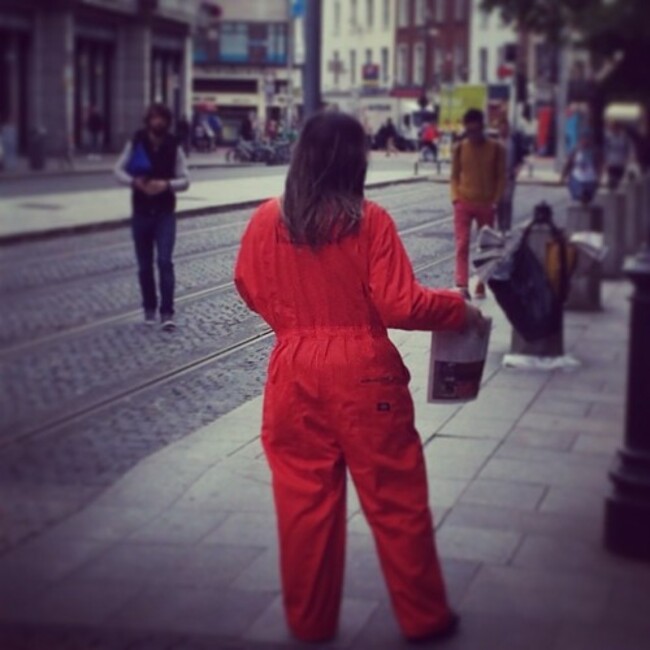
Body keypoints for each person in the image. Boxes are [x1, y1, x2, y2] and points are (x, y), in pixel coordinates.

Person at [234, 111, 486, 644]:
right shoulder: (369, 221)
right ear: (355, 159)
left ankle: (310, 622)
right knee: (396, 500)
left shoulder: (265, 220)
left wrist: (295, 325)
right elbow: (399, 303)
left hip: (293, 372)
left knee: (303, 505)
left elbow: (248, 285)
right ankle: (424, 617)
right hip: (364, 375)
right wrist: (456, 308)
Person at [114, 103, 190, 331]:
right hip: (141, 213)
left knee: (165, 262)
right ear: (148, 121)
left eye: (162, 119)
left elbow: (185, 179)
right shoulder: (137, 141)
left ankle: (167, 312)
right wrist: (133, 182)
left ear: (167, 122)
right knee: (144, 266)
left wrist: (166, 185)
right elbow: (118, 170)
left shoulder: (173, 145)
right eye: (154, 118)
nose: (158, 122)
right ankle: (149, 308)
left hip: (165, 213)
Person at [451, 108, 506, 300]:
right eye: (469, 131)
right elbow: (454, 176)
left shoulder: (496, 148)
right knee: (462, 243)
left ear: (482, 127)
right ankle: (462, 285)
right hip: (464, 202)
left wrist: (495, 201)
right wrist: (455, 198)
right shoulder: (460, 148)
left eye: (475, 130)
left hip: (486, 204)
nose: (472, 135)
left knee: (486, 247)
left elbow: (501, 176)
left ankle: (482, 283)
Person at [496, 117, 527, 232]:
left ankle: (507, 226)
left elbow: (520, 157)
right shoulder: (495, 143)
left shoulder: (513, 141)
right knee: (499, 202)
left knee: (508, 201)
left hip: (509, 176)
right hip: (498, 178)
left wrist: (517, 169)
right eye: (501, 128)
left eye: (505, 128)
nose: (503, 130)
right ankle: (500, 226)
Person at [561, 131, 602, 205]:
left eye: (587, 139)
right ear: (580, 140)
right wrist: (563, 176)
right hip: (577, 179)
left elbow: (598, 165)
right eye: (583, 139)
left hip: (590, 179)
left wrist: (599, 178)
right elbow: (568, 163)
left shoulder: (594, 152)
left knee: (588, 200)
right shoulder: (575, 150)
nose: (585, 141)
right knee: (577, 198)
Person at [603, 121, 632, 190]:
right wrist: (605, 162)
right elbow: (605, 150)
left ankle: (617, 193)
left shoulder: (624, 138)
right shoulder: (608, 138)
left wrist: (627, 159)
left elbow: (627, 149)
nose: (615, 129)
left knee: (619, 182)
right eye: (613, 127)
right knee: (612, 181)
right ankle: (613, 191)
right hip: (611, 163)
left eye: (616, 127)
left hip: (620, 163)